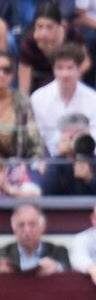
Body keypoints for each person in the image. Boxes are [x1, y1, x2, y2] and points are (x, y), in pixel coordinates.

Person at [30, 42, 96, 156]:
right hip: (51, 160)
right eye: (60, 68)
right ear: (53, 69)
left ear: (79, 69)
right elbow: (37, 141)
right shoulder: (38, 98)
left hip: (87, 158)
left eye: (70, 68)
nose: (65, 74)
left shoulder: (95, 100)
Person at [36, 111, 96, 195]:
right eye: (71, 137)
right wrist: (58, 157)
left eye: (80, 136)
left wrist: (90, 179)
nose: (77, 141)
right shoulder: (58, 164)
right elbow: (46, 194)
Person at [17, 3, 92, 95]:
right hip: (40, 83)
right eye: (40, 26)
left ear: (59, 26)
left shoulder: (72, 34)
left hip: (67, 75)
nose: (44, 32)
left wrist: (68, 74)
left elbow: (86, 62)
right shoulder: (29, 42)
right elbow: (24, 84)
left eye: (49, 27)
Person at [0, 52, 43, 195]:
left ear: (12, 75)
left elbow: (33, 140)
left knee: (32, 192)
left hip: (14, 167)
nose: (1, 74)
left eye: (6, 70)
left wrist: (38, 161)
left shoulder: (22, 102)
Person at [0, 203, 71, 274]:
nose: (27, 230)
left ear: (42, 227)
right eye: (21, 225)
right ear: (14, 229)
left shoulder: (57, 252)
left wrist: (57, 267)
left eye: (32, 224)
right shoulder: (3, 254)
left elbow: (68, 270)